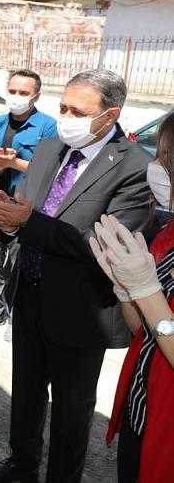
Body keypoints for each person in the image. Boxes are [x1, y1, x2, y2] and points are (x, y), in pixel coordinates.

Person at [0, 69, 152, 483]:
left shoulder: (133, 167)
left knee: (72, 411)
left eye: (77, 110)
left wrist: (27, 222)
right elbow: (30, 205)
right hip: (30, 290)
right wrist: (8, 217)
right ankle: (22, 464)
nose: (65, 117)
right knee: (26, 391)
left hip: (81, 308)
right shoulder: (52, 144)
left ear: (110, 116)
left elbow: (107, 243)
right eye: (62, 107)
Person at [89, 114, 174, 483]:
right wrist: (126, 291)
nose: (154, 166)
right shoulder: (166, 236)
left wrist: (146, 291)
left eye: (167, 157)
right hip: (142, 413)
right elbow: (140, 329)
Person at [0, 69, 57, 341]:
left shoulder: (47, 126)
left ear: (36, 96)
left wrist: (14, 163)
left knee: (20, 264)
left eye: (24, 93)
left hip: (24, 209)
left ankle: (16, 318)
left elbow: (48, 170)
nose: (17, 97)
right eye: (13, 91)